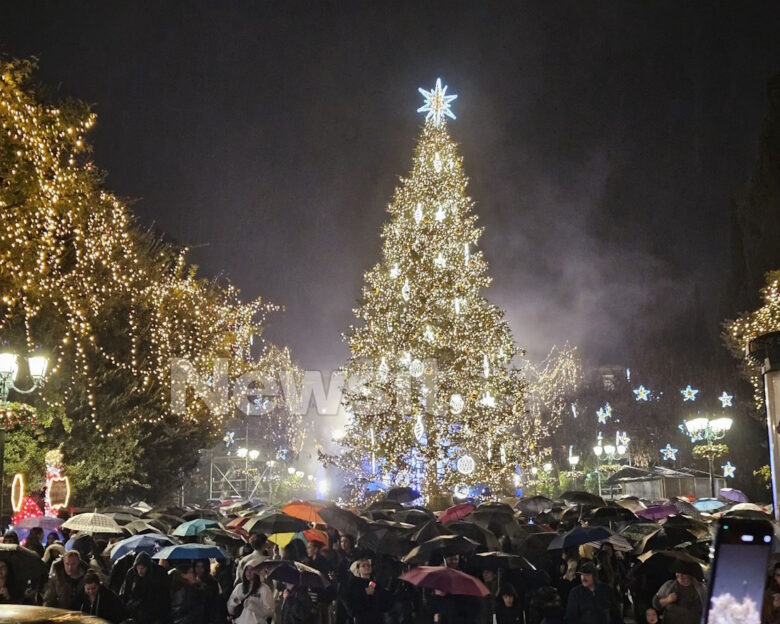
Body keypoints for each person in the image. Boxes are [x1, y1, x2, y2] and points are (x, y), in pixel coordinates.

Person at [120, 551, 170, 624]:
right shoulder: (131, 574)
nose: (140, 571)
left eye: (142, 568)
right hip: (136, 611)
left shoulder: (158, 573)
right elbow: (126, 593)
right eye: (138, 568)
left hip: (154, 612)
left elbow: (163, 597)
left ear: (147, 567)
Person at [340, 558, 391, 624]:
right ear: (358, 570)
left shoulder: (376, 583)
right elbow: (346, 597)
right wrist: (364, 592)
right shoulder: (354, 583)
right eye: (363, 566)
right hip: (362, 617)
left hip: (377, 617)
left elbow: (384, 599)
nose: (367, 567)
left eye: (368, 565)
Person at [194, 558, 227, 624]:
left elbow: (216, 602)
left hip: (210, 617)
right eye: (197, 567)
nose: (199, 570)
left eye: (202, 567)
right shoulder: (192, 582)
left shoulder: (212, 582)